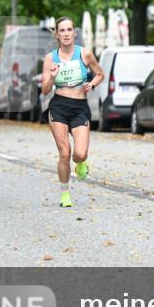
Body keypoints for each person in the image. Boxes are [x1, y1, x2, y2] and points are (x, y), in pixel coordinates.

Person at [40, 17, 104, 208]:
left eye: (69, 30)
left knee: (80, 153)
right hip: (59, 106)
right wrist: (52, 77)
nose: (66, 34)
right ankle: (65, 194)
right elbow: (45, 90)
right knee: (64, 153)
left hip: (80, 108)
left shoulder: (85, 53)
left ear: (74, 32)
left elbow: (100, 74)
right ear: (57, 35)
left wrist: (92, 85)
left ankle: (81, 162)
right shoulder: (50, 58)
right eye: (62, 30)